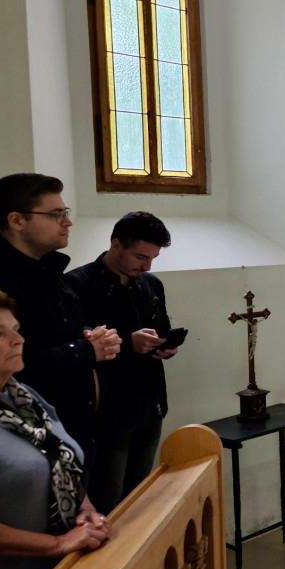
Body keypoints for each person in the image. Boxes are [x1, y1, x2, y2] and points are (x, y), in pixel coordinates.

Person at [0, 287, 112, 569]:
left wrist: (85, 511)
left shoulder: (23, 395)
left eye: (16, 329)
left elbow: (60, 459)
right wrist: (58, 544)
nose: (18, 340)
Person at [0, 173, 121, 471]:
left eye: (65, 212)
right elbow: (2, 369)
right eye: (55, 214)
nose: (67, 222)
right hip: (36, 443)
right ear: (17, 220)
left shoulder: (47, 270)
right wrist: (85, 351)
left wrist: (90, 335)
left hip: (78, 427)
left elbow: (59, 330)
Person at [66, 211, 176, 514]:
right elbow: (77, 348)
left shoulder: (151, 284)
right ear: (116, 244)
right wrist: (129, 344)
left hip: (150, 403)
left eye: (153, 258)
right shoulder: (76, 285)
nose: (147, 266)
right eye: (141, 257)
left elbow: (161, 327)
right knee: (108, 499)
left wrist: (164, 345)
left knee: (140, 496)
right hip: (108, 410)